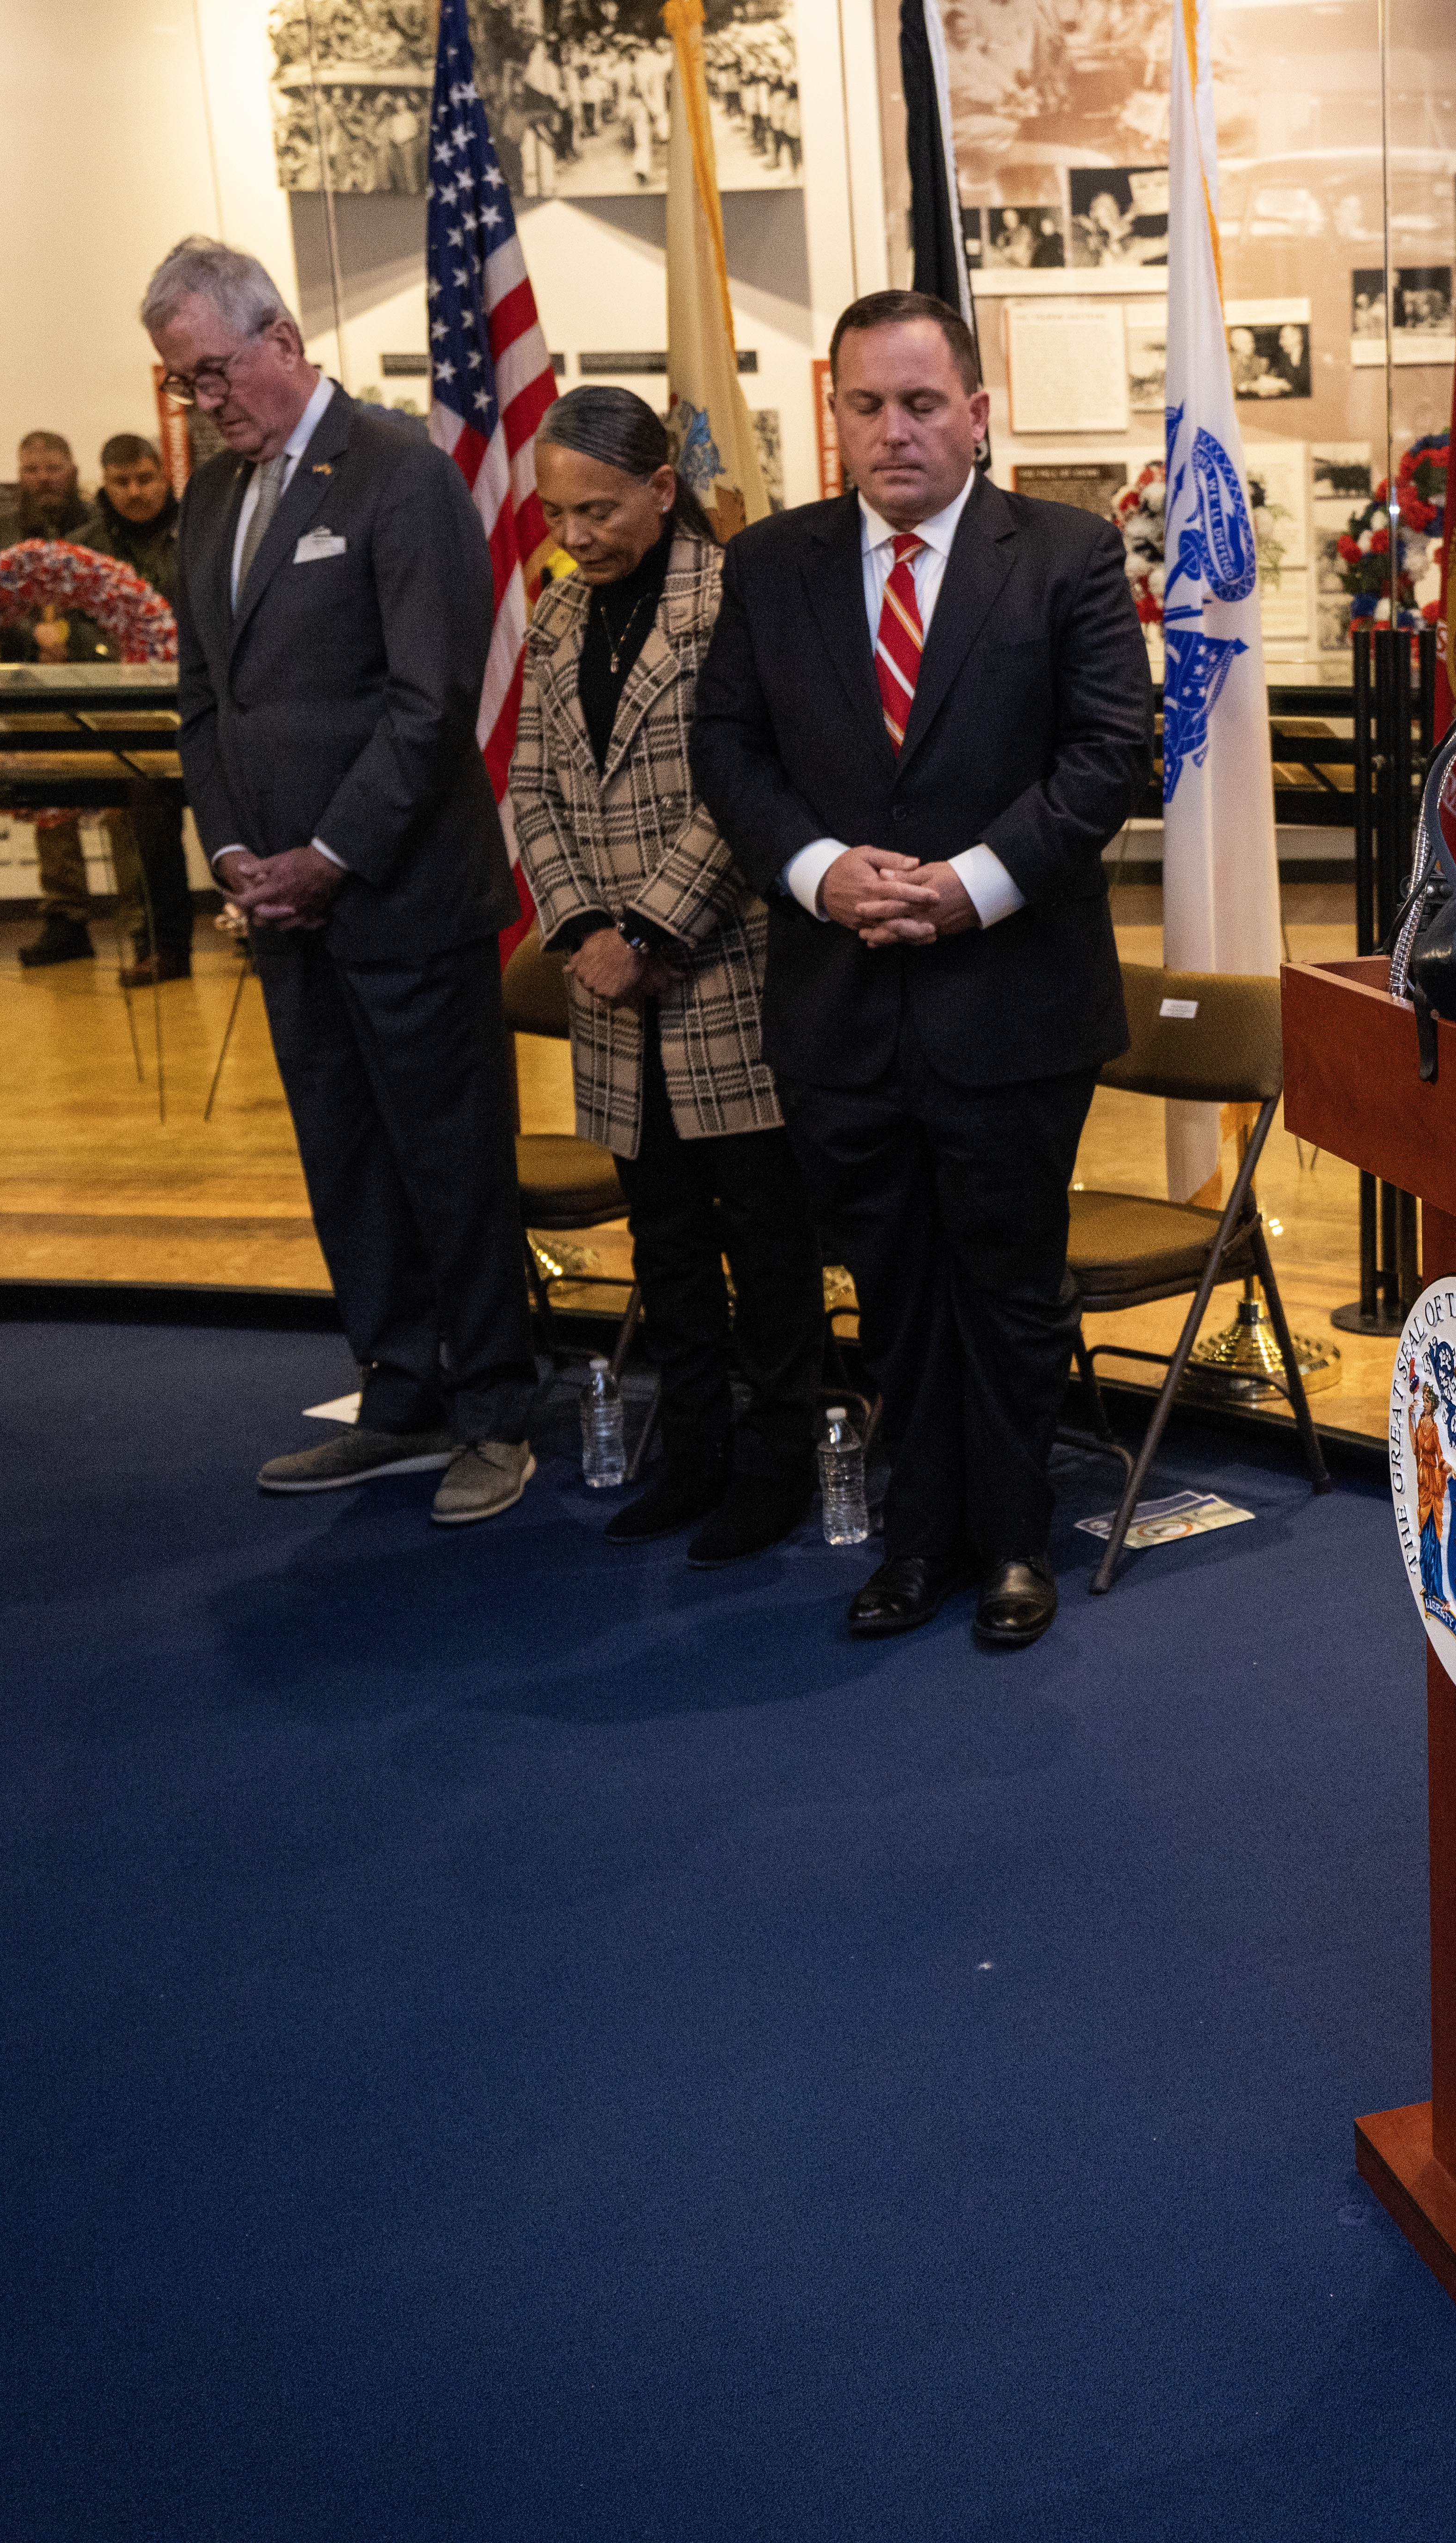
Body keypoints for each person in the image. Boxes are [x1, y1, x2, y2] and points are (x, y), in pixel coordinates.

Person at [688, 289, 1151, 1650]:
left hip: (1014, 999)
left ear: (977, 415)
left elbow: (1108, 754)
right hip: (839, 1003)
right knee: (889, 1291)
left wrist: (971, 889)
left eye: (921, 403)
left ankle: (1011, 1545)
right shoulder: (768, 565)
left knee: (1006, 1288)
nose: (894, 432)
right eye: (866, 406)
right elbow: (729, 753)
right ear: (834, 415)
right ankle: (914, 1540)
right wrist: (819, 867)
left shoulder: (1065, 555)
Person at [143, 235, 537, 1525]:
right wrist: (234, 856)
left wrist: (330, 858)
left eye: (213, 372)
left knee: (448, 1159)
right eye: (182, 382)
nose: (204, 401)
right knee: (346, 1161)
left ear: (283, 343)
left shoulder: (398, 476)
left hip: (401, 895)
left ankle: (495, 1409)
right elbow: (206, 704)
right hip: (284, 911)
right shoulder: (212, 501)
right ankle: (400, 1395)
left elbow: (431, 705)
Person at [516, 388, 827, 1567]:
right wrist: (586, 925)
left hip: (721, 972)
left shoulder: (735, 596)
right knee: (665, 1239)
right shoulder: (555, 618)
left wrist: (647, 930)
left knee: (765, 1232)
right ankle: (692, 1446)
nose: (575, 534)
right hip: (609, 989)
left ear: (660, 487)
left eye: (597, 509)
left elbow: (748, 787)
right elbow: (531, 785)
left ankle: (775, 1460)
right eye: (556, 512)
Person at [0, 431, 111, 970]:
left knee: (122, 795)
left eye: (53, 468)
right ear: (19, 475)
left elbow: (124, 596)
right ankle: (66, 916)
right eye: (32, 469)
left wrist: (75, 635)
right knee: (51, 797)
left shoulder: (103, 527)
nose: (43, 478)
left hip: (106, 680)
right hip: (29, 682)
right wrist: (31, 635)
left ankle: (146, 917)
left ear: (72, 470)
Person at [74, 431, 198, 984]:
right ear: (104, 483)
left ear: (164, 475)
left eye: (144, 478)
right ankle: (161, 948)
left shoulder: (200, 529)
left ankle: (253, 935)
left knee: (235, 823)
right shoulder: (85, 547)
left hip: (203, 697)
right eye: (121, 482)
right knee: (147, 836)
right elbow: (74, 625)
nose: (135, 491)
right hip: (130, 712)